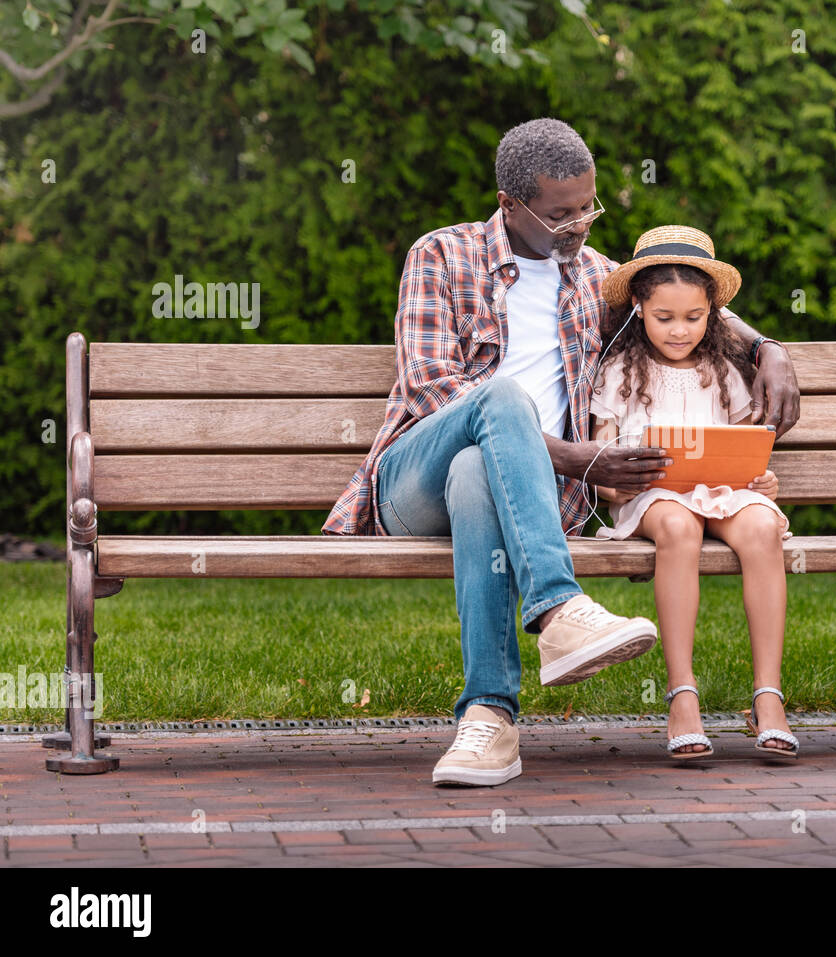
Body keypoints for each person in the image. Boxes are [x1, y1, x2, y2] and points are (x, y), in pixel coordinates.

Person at [321, 119, 802, 786]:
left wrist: (766, 350)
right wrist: (581, 459)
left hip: (523, 499)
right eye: (560, 215)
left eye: (588, 207)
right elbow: (434, 391)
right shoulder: (441, 256)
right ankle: (557, 608)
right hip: (413, 481)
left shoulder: (599, 279)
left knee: (477, 473)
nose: (578, 226)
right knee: (496, 403)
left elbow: (691, 300)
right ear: (509, 206)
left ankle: (488, 720)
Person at [589, 225, 799, 761]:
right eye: (664, 318)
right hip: (654, 500)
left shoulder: (722, 371)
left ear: (713, 313)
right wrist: (617, 478)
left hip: (720, 492)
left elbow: (743, 451)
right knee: (679, 527)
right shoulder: (617, 373)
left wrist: (762, 483)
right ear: (639, 308)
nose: (680, 330)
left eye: (694, 317)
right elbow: (600, 461)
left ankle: (768, 696)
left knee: (759, 525)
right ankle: (683, 694)